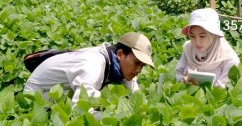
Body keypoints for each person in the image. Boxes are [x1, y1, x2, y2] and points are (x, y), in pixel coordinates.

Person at [24, 32, 155, 106]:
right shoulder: (93, 65)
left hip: (63, 94)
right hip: (37, 97)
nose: (138, 70)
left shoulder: (120, 63)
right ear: (120, 54)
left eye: (142, 65)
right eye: (137, 63)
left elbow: (137, 97)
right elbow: (79, 108)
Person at [176, 8, 240, 88]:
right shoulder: (188, 49)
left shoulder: (229, 58)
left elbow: (223, 89)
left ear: (213, 35)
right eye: (192, 36)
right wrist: (183, 81)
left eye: (202, 36)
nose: (197, 42)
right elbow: (178, 74)